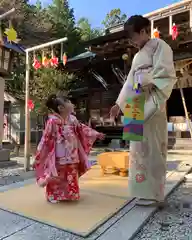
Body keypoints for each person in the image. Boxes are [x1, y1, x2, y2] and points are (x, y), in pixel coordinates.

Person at [110, 15, 177, 206]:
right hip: (136, 100)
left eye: (133, 36)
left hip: (151, 99)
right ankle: (140, 190)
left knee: (153, 146)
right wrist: (118, 104)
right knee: (137, 150)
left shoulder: (160, 46)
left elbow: (166, 74)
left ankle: (155, 194)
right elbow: (129, 81)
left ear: (143, 31)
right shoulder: (139, 55)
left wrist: (146, 79)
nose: (131, 41)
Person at [33, 94, 104, 203]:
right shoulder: (52, 121)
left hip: (72, 153)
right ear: (61, 108)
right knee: (56, 175)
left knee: (71, 174)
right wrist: (40, 153)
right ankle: (54, 195)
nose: (72, 104)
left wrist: (95, 133)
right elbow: (46, 139)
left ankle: (70, 195)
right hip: (57, 154)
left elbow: (83, 129)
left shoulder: (73, 119)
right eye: (69, 102)